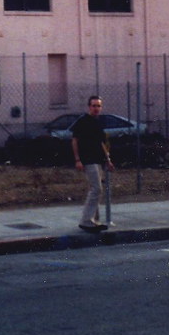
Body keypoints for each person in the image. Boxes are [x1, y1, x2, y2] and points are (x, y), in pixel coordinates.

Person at [71, 94, 114, 232]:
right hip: (88, 160)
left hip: (98, 160)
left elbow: (102, 142)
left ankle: (94, 220)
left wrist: (108, 160)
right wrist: (77, 159)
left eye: (98, 106)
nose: (96, 108)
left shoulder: (98, 122)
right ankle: (86, 220)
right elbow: (74, 140)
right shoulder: (83, 121)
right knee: (97, 189)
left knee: (95, 189)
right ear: (89, 106)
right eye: (94, 105)